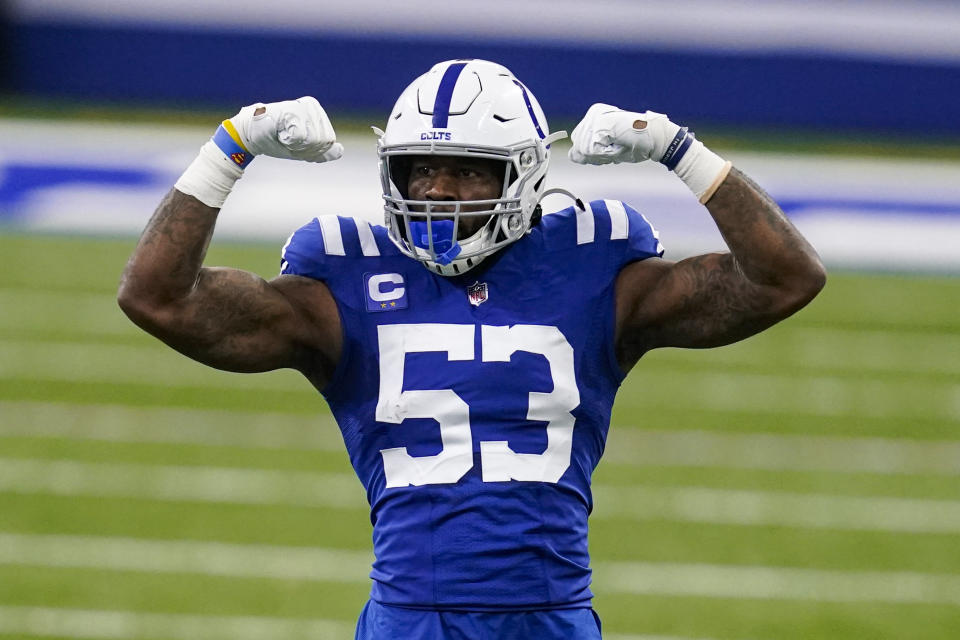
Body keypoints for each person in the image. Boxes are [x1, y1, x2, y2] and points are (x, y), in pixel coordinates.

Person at [118, 59, 825, 639]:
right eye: (420, 170)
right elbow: (158, 298)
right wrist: (231, 146)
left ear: (521, 175)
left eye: (466, 171)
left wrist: (682, 151)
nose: (437, 190)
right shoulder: (342, 279)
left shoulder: (592, 262)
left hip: (551, 618)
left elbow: (784, 278)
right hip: (409, 619)